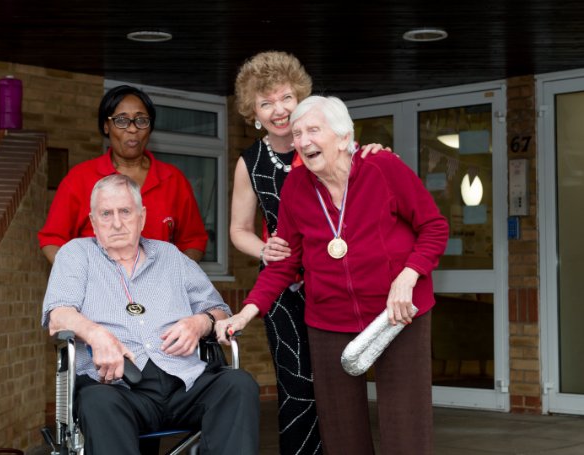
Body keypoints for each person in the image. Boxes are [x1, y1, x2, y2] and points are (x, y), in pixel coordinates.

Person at [218, 95, 449, 454]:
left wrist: (408, 276)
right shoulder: (295, 186)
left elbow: (434, 227)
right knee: (341, 431)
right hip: (329, 319)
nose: (303, 140)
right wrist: (248, 311)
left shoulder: (383, 167)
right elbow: (285, 262)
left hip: (398, 313)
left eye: (313, 129)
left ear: (343, 137)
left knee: (405, 426)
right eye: (297, 133)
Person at [231, 50, 388, 455]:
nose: (279, 110)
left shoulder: (326, 143)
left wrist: (377, 156)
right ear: (254, 111)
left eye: (285, 98)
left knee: (340, 388)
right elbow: (237, 230)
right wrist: (265, 249)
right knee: (297, 390)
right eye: (266, 103)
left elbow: (369, 186)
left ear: (299, 96)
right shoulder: (249, 162)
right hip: (283, 293)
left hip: (336, 284)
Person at [42, 174, 259, 455]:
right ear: (93, 221)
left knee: (237, 384)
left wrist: (200, 322)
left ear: (142, 217)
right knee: (98, 402)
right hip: (117, 386)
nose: (116, 222)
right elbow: (57, 315)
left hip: (184, 383)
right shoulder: (76, 255)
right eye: (106, 214)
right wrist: (96, 335)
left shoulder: (171, 257)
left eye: (125, 212)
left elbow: (219, 311)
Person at [38, 85, 208, 263]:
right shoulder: (80, 178)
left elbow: (193, 241)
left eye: (141, 120)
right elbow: (52, 240)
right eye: (121, 120)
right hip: (99, 288)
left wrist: (176, 276)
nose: (133, 129)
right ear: (106, 126)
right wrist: (79, 279)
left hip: (157, 289)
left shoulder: (173, 180)